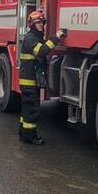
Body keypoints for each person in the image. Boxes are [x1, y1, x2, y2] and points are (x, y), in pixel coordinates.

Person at [18, 10, 65, 145]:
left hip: (31, 80)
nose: (40, 25)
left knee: (27, 109)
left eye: (41, 22)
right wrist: (56, 37)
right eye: (37, 23)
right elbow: (42, 51)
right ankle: (30, 137)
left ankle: (23, 134)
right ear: (32, 24)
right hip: (29, 81)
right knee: (32, 109)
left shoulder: (36, 37)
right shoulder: (30, 38)